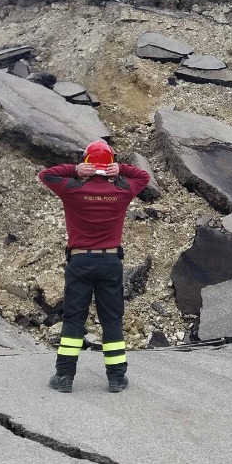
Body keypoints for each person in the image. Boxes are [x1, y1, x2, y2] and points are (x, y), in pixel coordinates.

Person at [37, 140, 151, 393]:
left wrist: (75, 171)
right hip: (110, 262)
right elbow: (143, 176)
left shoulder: (73, 189)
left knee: (74, 319)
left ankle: (64, 377)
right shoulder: (121, 191)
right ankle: (116, 378)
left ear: (87, 162)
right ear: (110, 164)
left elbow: (47, 174)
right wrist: (119, 169)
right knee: (111, 320)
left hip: (79, 262)